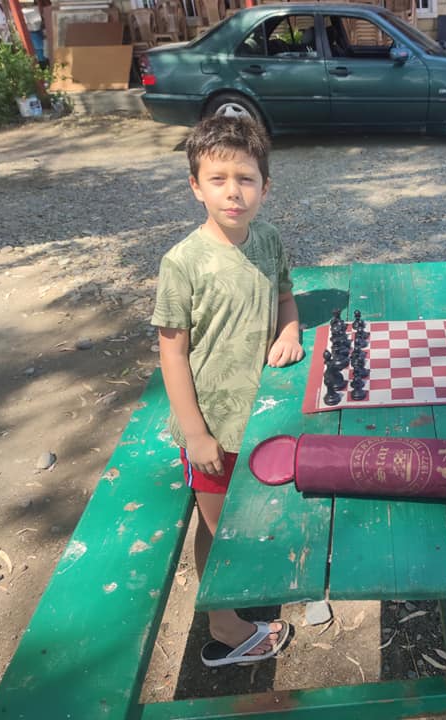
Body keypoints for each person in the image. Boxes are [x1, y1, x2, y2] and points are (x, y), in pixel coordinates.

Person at [151, 115, 304, 667]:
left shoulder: (268, 239)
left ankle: (241, 589)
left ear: (266, 186)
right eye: (218, 179)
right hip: (213, 425)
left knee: (250, 513)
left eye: (246, 179)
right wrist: (195, 434)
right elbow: (172, 351)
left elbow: (284, 296)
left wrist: (290, 329)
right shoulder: (182, 262)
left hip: (260, 414)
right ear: (196, 186)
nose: (233, 192)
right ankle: (222, 626)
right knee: (218, 526)